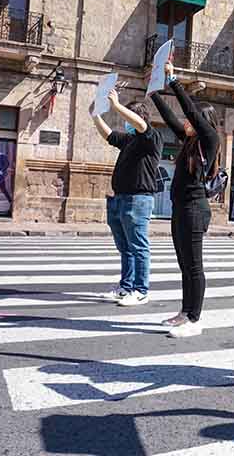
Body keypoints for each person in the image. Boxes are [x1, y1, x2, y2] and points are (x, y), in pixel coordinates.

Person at [150, 60, 220, 339]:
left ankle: (195, 318)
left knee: (194, 265)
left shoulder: (210, 139)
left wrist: (174, 80)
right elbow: (171, 119)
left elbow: (190, 110)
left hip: (195, 209)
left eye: (192, 121)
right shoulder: (190, 140)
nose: (187, 122)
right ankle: (184, 311)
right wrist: (154, 92)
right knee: (183, 263)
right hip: (181, 208)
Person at [91, 89, 162, 306]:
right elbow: (109, 136)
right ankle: (126, 287)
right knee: (125, 247)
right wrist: (95, 115)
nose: (125, 122)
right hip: (119, 198)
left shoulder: (151, 137)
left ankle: (141, 290)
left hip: (138, 199)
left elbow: (140, 125)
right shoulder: (130, 140)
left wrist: (117, 106)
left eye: (128, 117)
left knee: (139, 246)